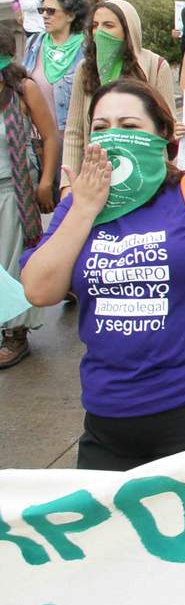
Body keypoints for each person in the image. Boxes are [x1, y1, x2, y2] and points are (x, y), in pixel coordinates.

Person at [20, 79, 185, 469]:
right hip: (109, 414)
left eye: (129, 126)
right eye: (102, 128)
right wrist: (84, 208)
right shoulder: (79, 206)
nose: (114, 137)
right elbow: (40, 292)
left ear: (163, 134)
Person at [60, 0, 177, 195]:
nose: (100, 32)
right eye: (95, 26)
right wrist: (67, 184)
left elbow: (169, 124)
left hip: (145, 175)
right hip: (98, 174)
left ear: (128, 30)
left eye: (109, 25)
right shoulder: (85, 69)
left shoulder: (155, 65)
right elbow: (74, 131)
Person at [0, 37, 61, 369]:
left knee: (10, 263)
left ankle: (15, 333)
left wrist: (46, 181)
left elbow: (50, 136)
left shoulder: (23, 90)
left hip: (13, 189)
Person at [23, 0, 90, 133]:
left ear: (70, 15)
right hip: (36, 141)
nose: (44, 16)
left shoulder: (88, 48)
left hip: (73, 139)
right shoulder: (33, 43)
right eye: (42, 10)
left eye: (51, 11)